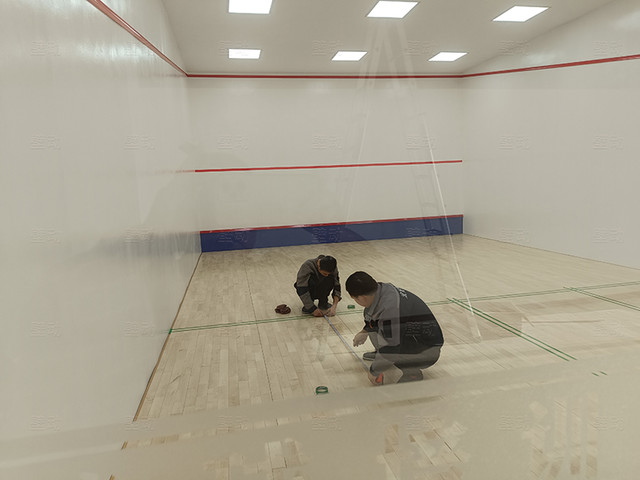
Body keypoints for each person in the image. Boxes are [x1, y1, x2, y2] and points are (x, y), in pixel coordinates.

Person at [345, 271, 444, 384]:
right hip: (417, 339)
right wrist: (364, 331)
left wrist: (374, 371)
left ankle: (412, 372)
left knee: (391, 349)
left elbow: (392, 348)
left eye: (355, 299)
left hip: (427, 351)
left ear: (362, 297)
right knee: (378, 327)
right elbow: (374, 319)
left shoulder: (389, 310)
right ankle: (381, 356)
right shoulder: (381, 290)